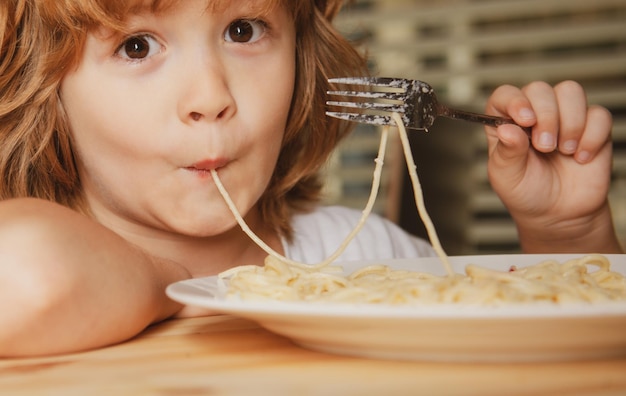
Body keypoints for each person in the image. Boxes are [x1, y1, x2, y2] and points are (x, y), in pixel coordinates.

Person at [0, 0, 620, 358]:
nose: (211, 97)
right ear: (43, 90)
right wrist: (188, 283)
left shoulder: (367, 256)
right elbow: (23, 272)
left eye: (243, 30)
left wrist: (566, 235)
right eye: (136, 46)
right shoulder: (35, 262)